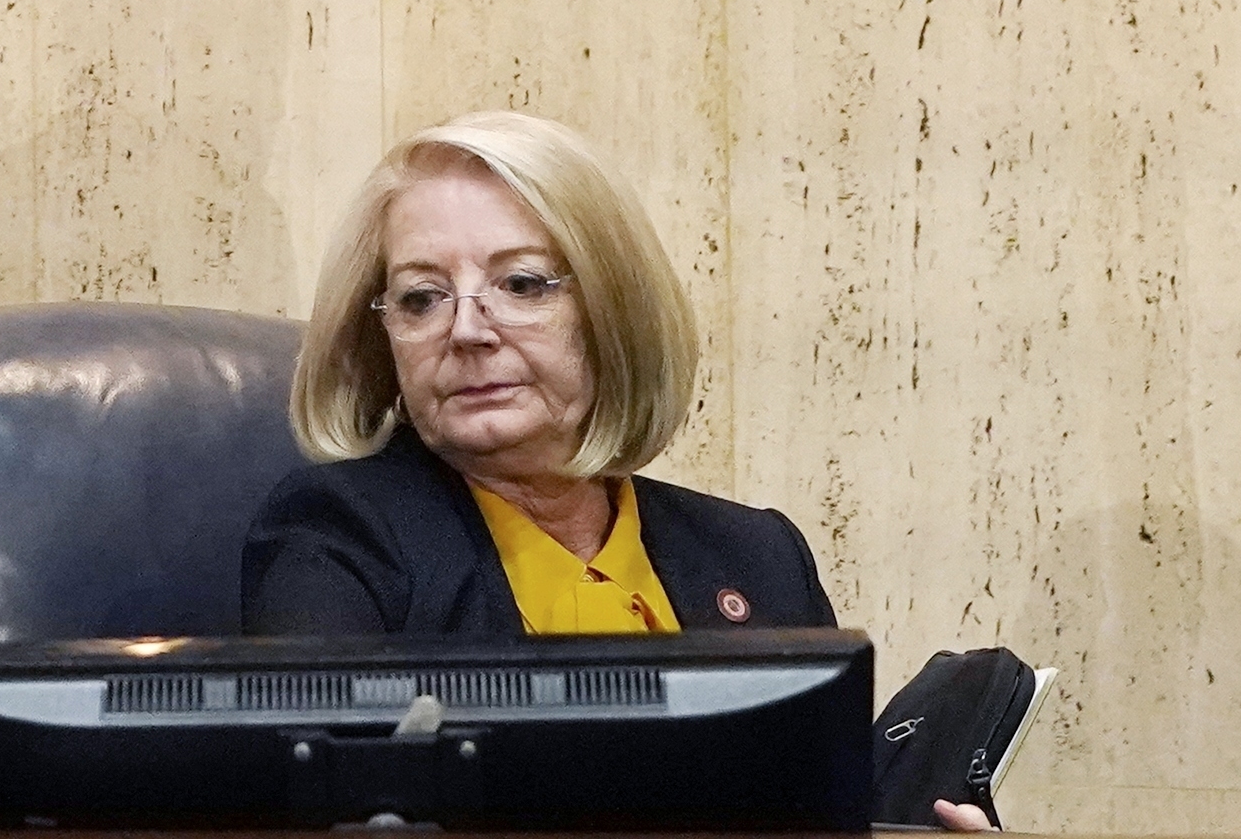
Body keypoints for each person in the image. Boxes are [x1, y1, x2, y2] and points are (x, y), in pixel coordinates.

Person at [244, 113, 994, 832]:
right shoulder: (337, 539)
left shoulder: (758, 556)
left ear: (613, 308)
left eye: (522, 284)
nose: (467, 330)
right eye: (421, 297)